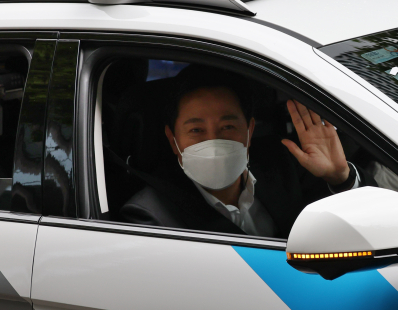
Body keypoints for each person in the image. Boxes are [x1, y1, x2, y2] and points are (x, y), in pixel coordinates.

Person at [120, 66, 374, 237]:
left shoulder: (286, 164)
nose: (214, 140)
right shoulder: (151, 215)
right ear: (172, 139)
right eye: (196, 130)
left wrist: (341, 177)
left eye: (228, 126)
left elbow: (370, 224)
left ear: (250, 130)